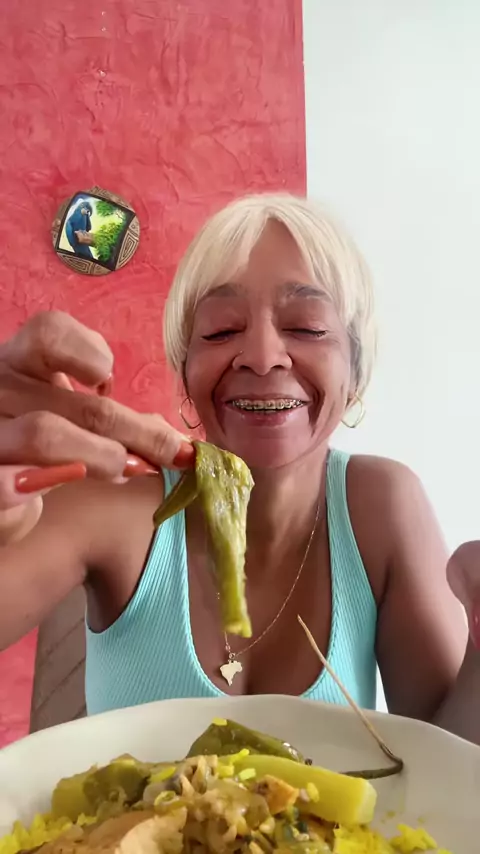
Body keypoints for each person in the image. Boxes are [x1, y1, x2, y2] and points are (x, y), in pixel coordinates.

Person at [0, 193, 479, 743]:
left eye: (307, 327)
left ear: (355, 375)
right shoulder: (117, 498)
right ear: (187, 375)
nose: (262, 355)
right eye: (222, 330)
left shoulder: (382, 506)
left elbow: (450, 760)